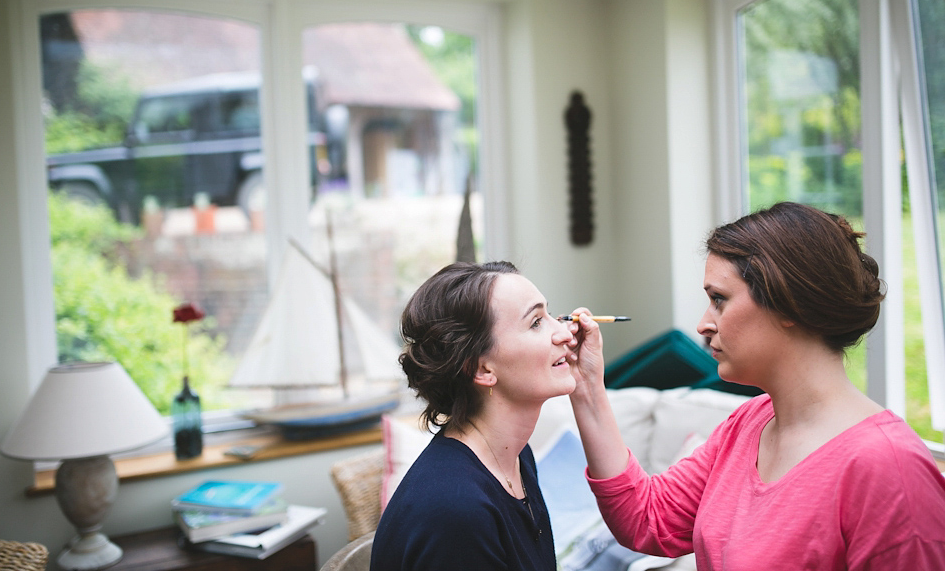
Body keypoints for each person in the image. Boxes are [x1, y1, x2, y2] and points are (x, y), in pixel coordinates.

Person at [567, 201, 945, 569]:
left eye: (719, 300)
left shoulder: (888, 468)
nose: (703, 324)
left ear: (787, 304)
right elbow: (648, 520)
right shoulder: (749, 422)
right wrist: (586, 387)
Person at [370, 261, 576, 571]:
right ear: (481, 369)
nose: (564, 332)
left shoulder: (518, 460)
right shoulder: (454, 509)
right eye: (536, 322)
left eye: (550, 314)